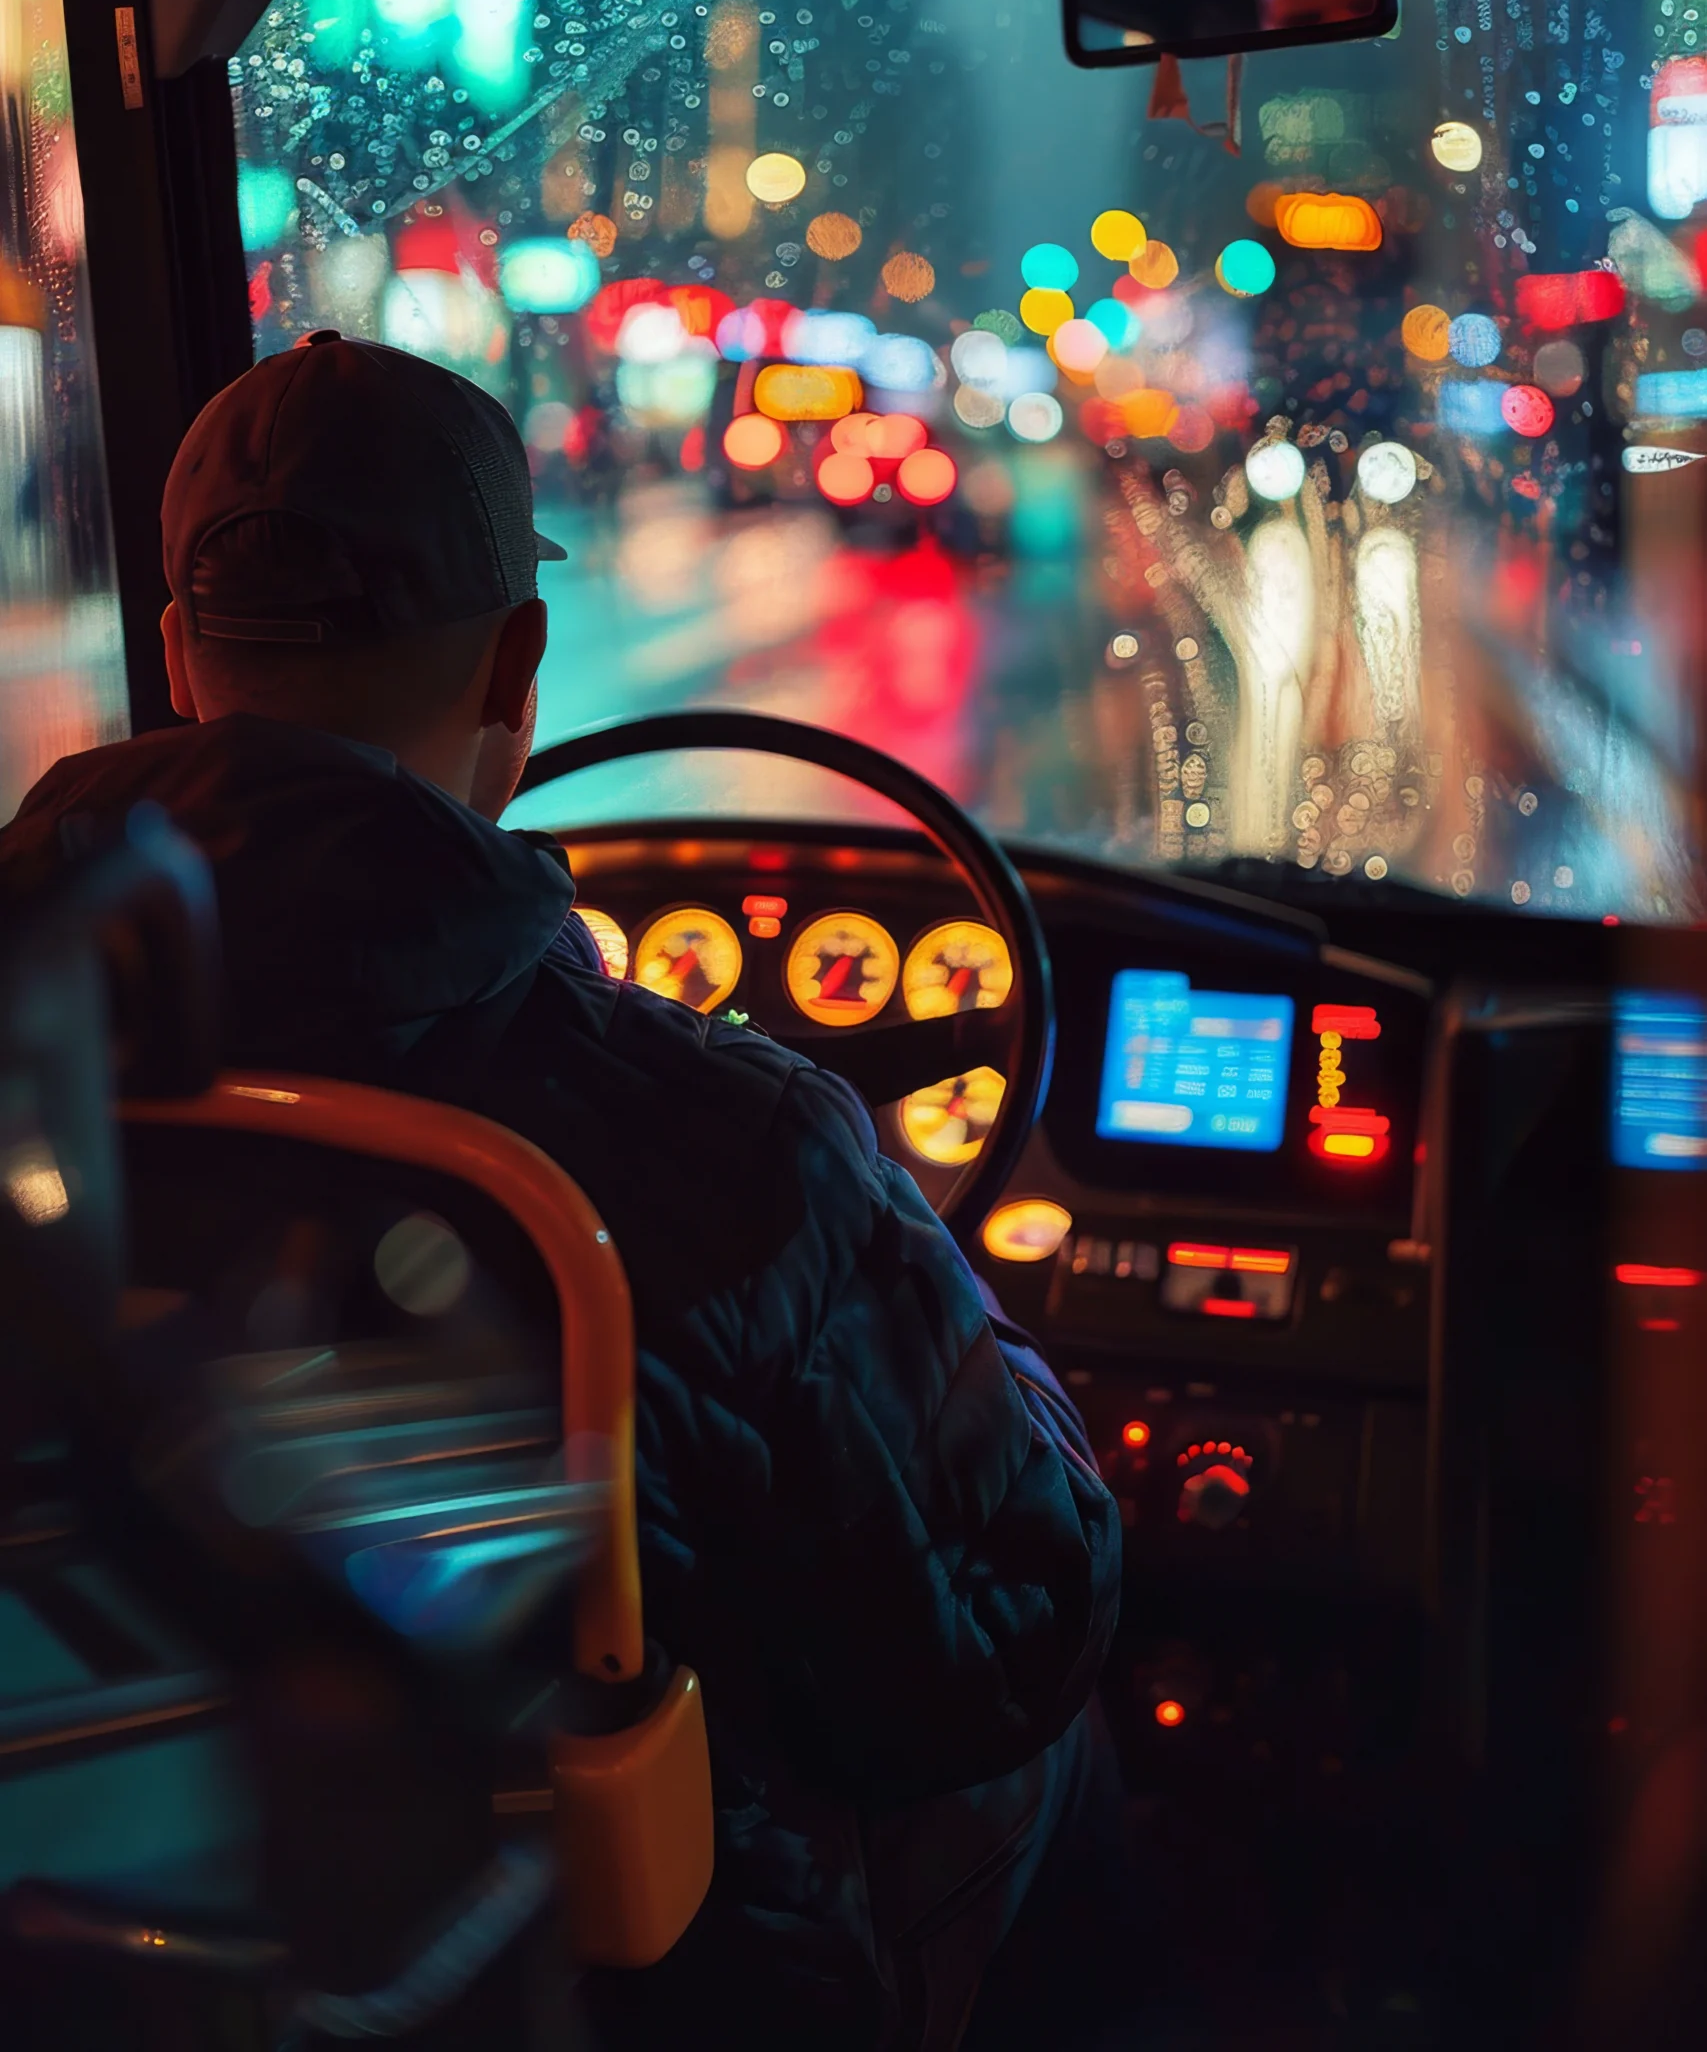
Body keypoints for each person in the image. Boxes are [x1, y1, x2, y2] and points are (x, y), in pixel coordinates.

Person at [0, 335, 1121, 2049]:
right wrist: (988, 1352)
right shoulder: (730, 1142)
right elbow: (997, 1642)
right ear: (519, 664)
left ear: (176, 651)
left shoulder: (39, 1084)